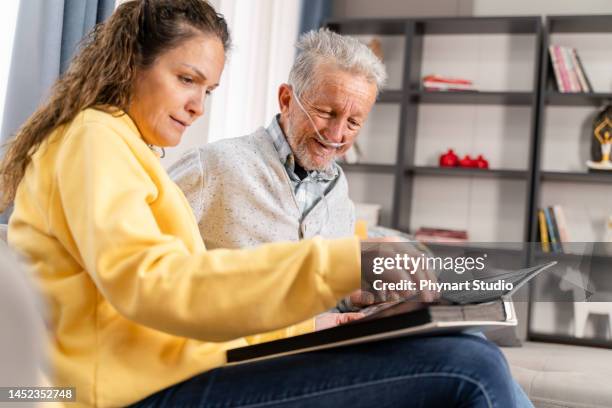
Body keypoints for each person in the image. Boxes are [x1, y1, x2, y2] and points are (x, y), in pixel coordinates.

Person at [0, 0, 522, 406]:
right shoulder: (95, 140)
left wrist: (315, 323)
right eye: (186, 80)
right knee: (467, 368)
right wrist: (343, 264)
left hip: (175, 370)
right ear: (131, 63)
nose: (197, 106)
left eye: (208, 89)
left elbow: (192, 289)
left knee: (465, 351)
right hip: (128, 394)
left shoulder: (122, 146)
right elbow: (156, 286)